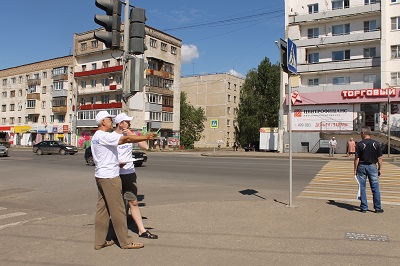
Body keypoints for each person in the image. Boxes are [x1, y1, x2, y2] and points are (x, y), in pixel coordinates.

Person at [91, 110, 155, 250]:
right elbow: (125, 139)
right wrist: (146, 136)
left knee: (102, 210)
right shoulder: (104, 135)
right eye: (109, 119)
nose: (111, 121)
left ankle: (99, 241)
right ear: (103, 122)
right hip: (110, 176)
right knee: (118, 210)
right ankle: (125, 241)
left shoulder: (96, 136)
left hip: (101, 175)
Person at [113, 113, 158, 240]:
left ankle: (141, 230)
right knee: (118, 204)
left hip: (129, 174)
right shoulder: (112, 137)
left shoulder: (130, 135)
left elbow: (145, 146)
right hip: (115, 174)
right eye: (127, 121)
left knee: (133, 201)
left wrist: (131, 134)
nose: (130, 123)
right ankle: (118, 232)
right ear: (120, 123)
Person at [354, 127, 383, 213]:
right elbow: (380, 158)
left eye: (360, 133)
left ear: (363, 133)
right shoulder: (376, 143)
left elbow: (357, 158)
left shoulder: (359, 144)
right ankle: (377, 208)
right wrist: (380, 168)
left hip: (362, 166)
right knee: (375, 188)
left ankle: (364, 207)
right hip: (373, 166)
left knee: (362, 187)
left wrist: (355, 169)